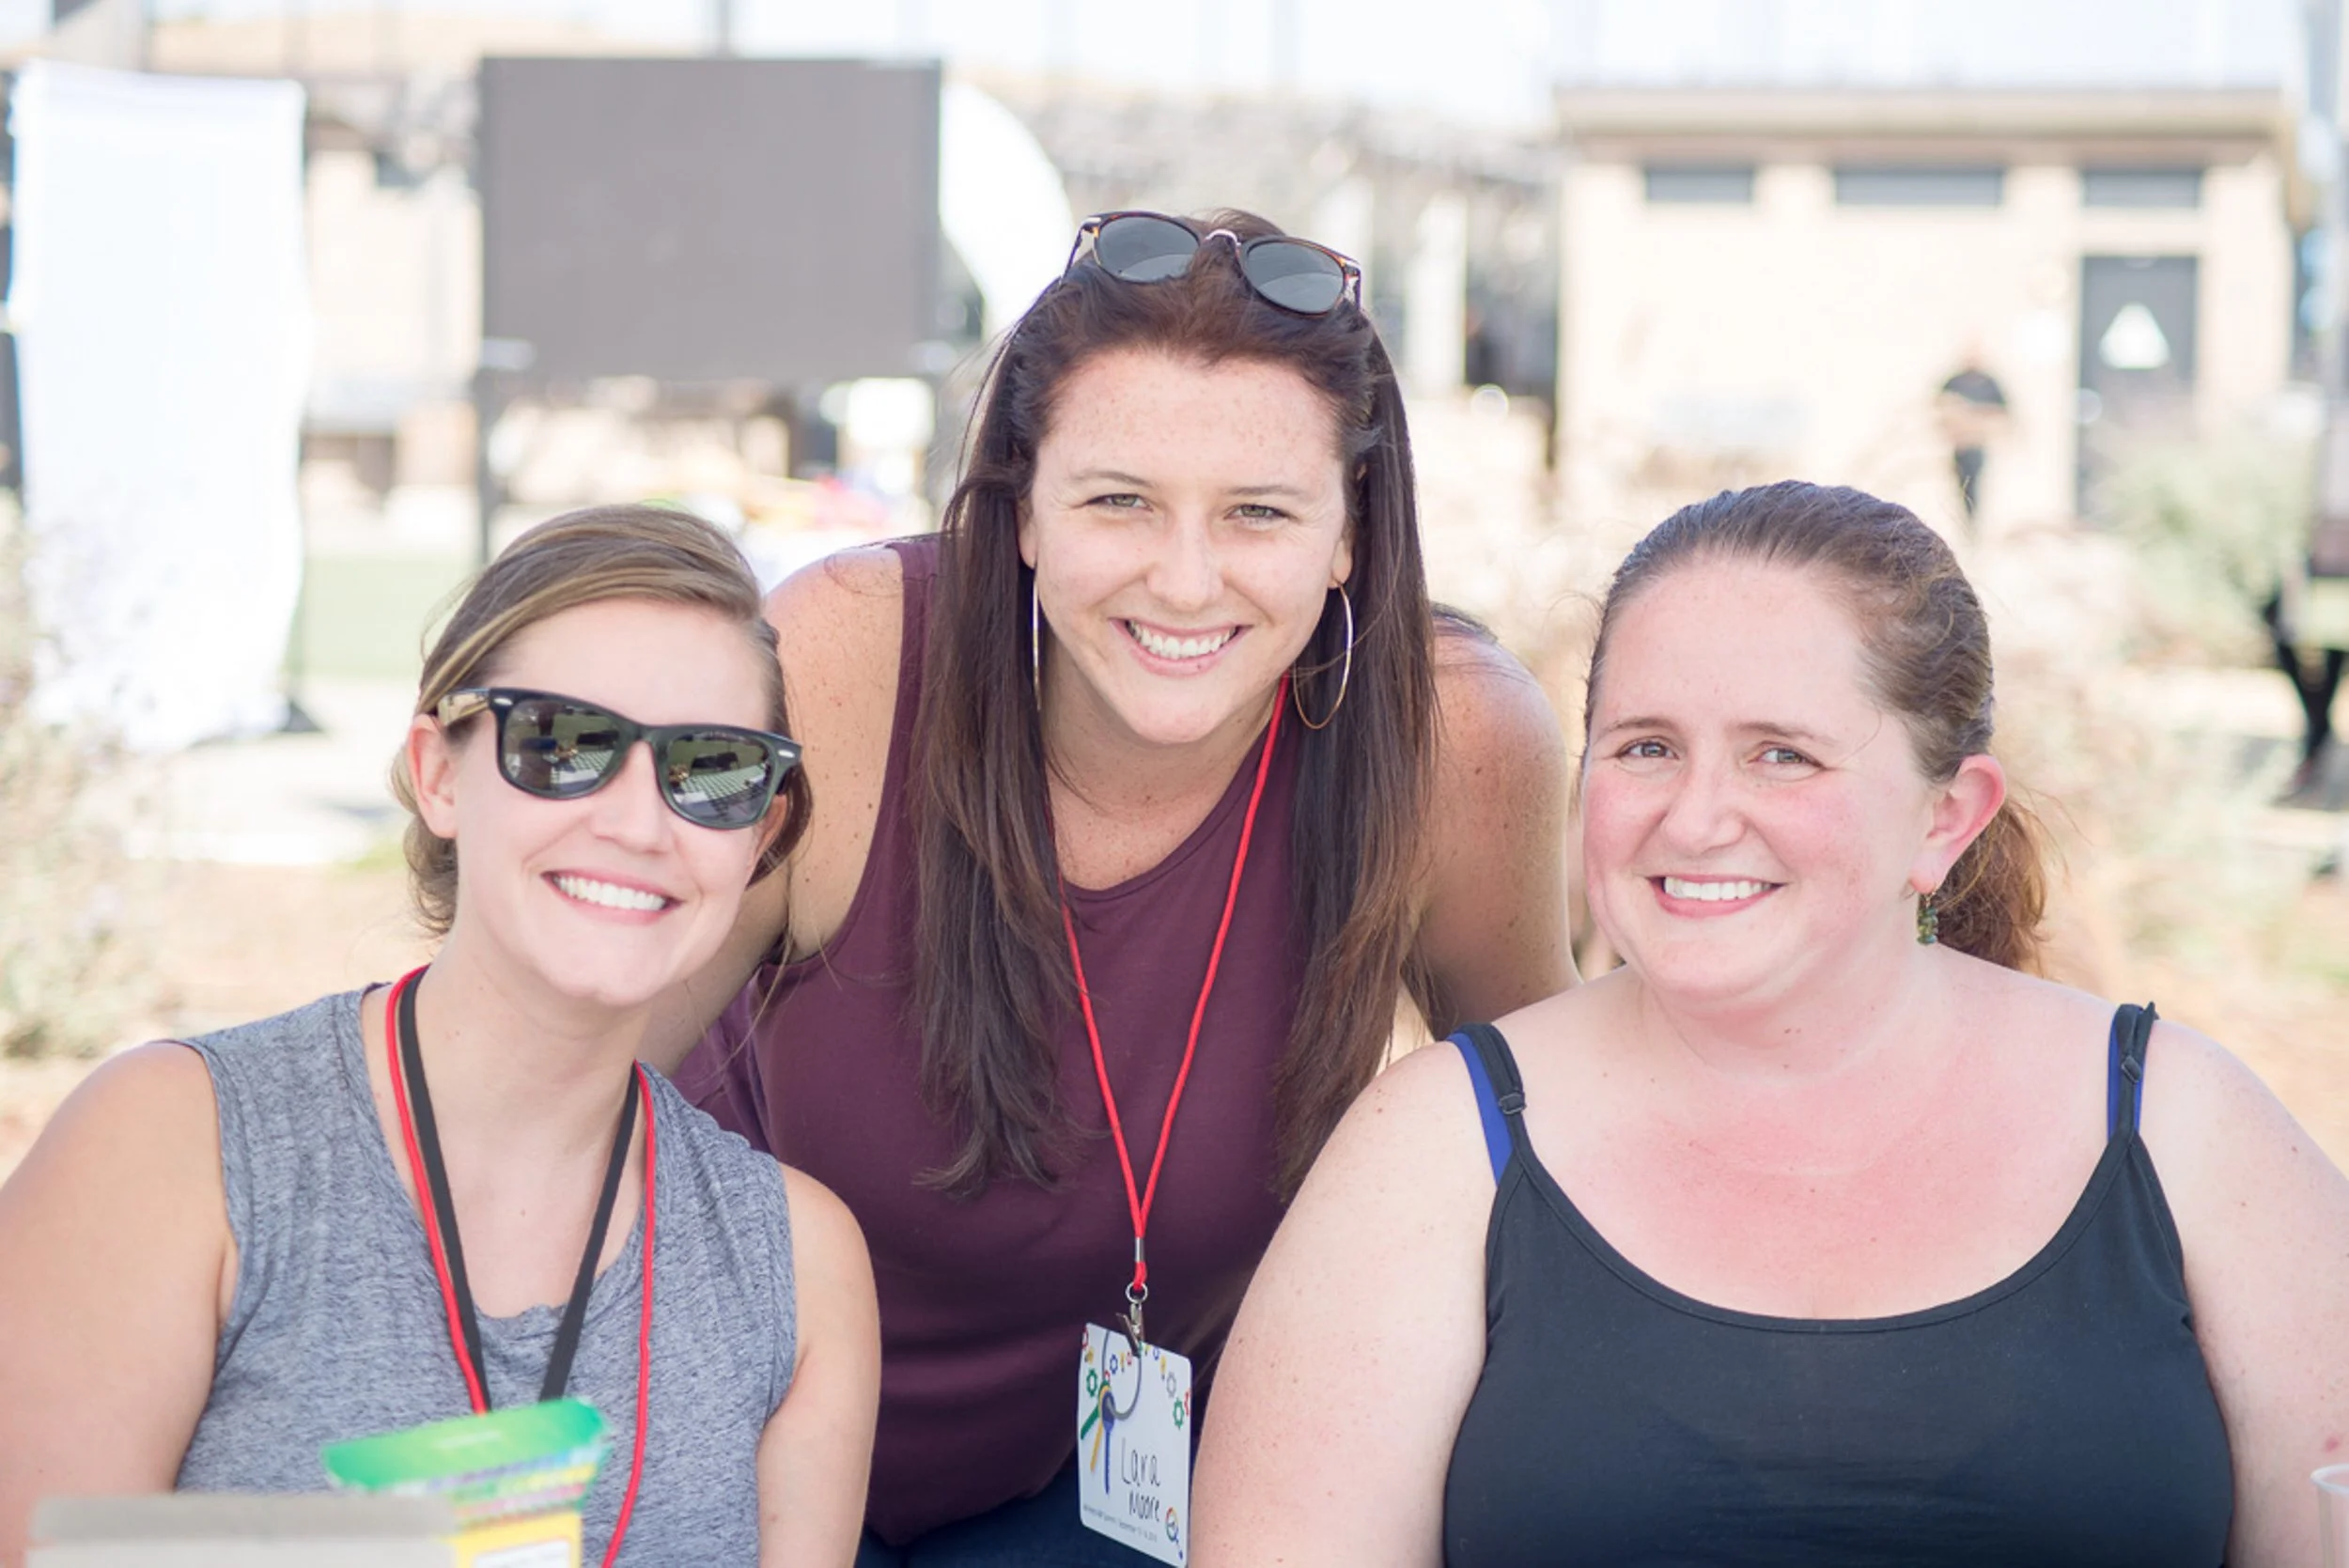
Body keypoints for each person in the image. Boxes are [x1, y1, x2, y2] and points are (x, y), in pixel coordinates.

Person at [1193, 480, 2349, 1566]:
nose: (1695, 820)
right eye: (1646, 746)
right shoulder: (1431, 1152)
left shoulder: (2187, 1132)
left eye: (1780, 756)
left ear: (1947, 816)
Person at [659, 210, 1574, 1562]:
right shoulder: (851, 660)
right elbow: (563, 1069)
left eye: (1259, 512)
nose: (1185, 579)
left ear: (1348, 536)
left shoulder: (1453, 748)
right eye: (1118, 500)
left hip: (1081, 1491)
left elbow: (1552, 1170)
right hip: (712, 1437)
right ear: (1023, 508)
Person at [0, 505, 880, 1568]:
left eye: (712, 768)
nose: (641, 823)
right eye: (565, 743)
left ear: (763, 833)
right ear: (438, 772)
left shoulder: (798, 1264)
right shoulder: (170, 1148)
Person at [1936, 351, 2007, 531]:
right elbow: (1938, 406)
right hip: (1958, 446)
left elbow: (2002, 413)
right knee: (1958, 489)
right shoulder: (1954, 382)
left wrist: (1974, 416)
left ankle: (1974, 526)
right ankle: (1963, 526)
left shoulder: (1989, 383)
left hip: (1977, 445)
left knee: (1975, 489)